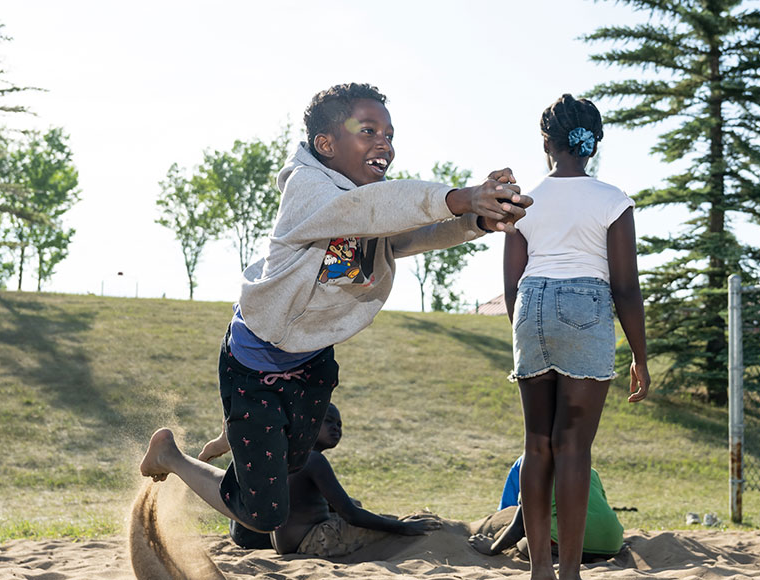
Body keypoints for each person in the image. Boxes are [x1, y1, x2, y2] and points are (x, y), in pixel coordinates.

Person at [140, 82, 532, 539]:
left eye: (389, 133)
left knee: (292, 463)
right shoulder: (308, 190)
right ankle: (171, 454)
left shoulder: (369, 202)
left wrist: (478, 221)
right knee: (265, 514)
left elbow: (408, 232)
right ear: (325, 144)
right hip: (255, 363)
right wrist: (462, 196)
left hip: (311, 362)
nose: (384, 142)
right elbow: (369, 208)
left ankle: (243, 435)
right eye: (368, 130)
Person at [502, 94, 650, 580]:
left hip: (531, 306)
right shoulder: (612, 200)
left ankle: (539, 568)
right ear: (593, 144)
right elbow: (625, 287)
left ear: (547, 142)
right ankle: (569, 573)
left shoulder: (522, 201)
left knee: (537, 444)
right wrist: (640, 357)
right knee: (573, 447)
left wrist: (526, 328)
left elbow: (511, 281)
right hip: (586, 305)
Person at [204, 404, 442, 555]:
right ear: (310, 425)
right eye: (329, 421)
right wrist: (403, 527)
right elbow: (350, 514)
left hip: (282, 542)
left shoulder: (291, 456)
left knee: (357, 507)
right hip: (303, 541)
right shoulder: (312, 460)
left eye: (339, 424)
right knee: (400, 528)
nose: (337, 428)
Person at [471, 457, 624, 563]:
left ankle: (569, 558)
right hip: (613, 544)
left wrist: (491, 549)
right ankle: (592, 556)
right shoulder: (589, 470)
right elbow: (600, 505)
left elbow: (519, 528)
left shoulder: (535, 472)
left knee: (525, 544)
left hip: (576, 545)